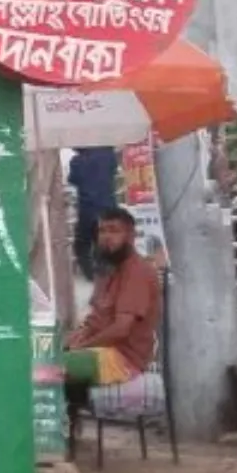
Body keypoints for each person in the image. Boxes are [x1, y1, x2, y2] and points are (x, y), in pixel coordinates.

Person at [52, 207, 164, 424]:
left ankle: (55, 437)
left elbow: (121, 329)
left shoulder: (137, 271)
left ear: (130, 236)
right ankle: (63, 433)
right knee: (42, 356)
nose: (106, 237)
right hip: (103, 351)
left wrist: (81, 346)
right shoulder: (111, 269)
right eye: (102, 231)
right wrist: (73, 338)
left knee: (47, 369)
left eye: (114, 231)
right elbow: (95, 320)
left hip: (122, 359)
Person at [68, 145, 118, 281]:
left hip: (88, 210)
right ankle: (106, 275)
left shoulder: (76, 161)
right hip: (109, 208)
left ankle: (91, 276)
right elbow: (113, 171)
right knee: (104, 244)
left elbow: (72, 179)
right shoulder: (109, 154)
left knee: (81, 245)